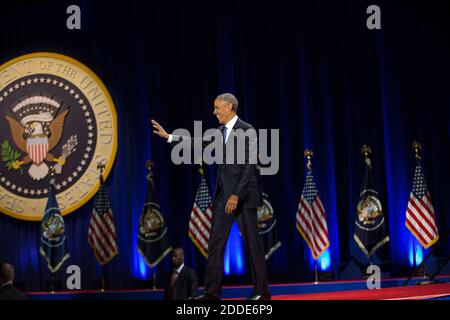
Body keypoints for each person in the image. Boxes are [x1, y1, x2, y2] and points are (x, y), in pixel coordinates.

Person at [152, 93, 271, 300]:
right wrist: (169, 136)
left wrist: (236, 194)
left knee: (253, 245)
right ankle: (211, 294)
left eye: (218, 108)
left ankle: (262, 292)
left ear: (230, 107)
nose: (214, 112)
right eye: (214, 108)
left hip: (242, 197)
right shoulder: (219, 132)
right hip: (223, 196)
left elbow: (249, 166)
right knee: (215, 244)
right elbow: (199, 143)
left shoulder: (247, 130)